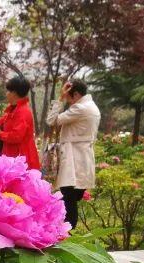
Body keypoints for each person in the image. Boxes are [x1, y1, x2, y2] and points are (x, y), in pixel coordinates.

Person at [47, 79, 101, 227]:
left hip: (73, 160)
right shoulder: (91, 107)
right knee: (71, 199)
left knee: (68, 200)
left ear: (75, 94)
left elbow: (51, 120)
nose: (67, 101)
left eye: (68, 97)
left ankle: (67, 234)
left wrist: (59, 99)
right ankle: (67, 232)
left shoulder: (80, 108)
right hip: (82, 159)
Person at [0, 75, 39, 169]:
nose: (6, 94)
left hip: (21, 159)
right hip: (11, 156)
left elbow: (16, 136)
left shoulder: (23, 112)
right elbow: (2, 119)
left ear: (14, 93)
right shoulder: (13, 109)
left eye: (8, 91)